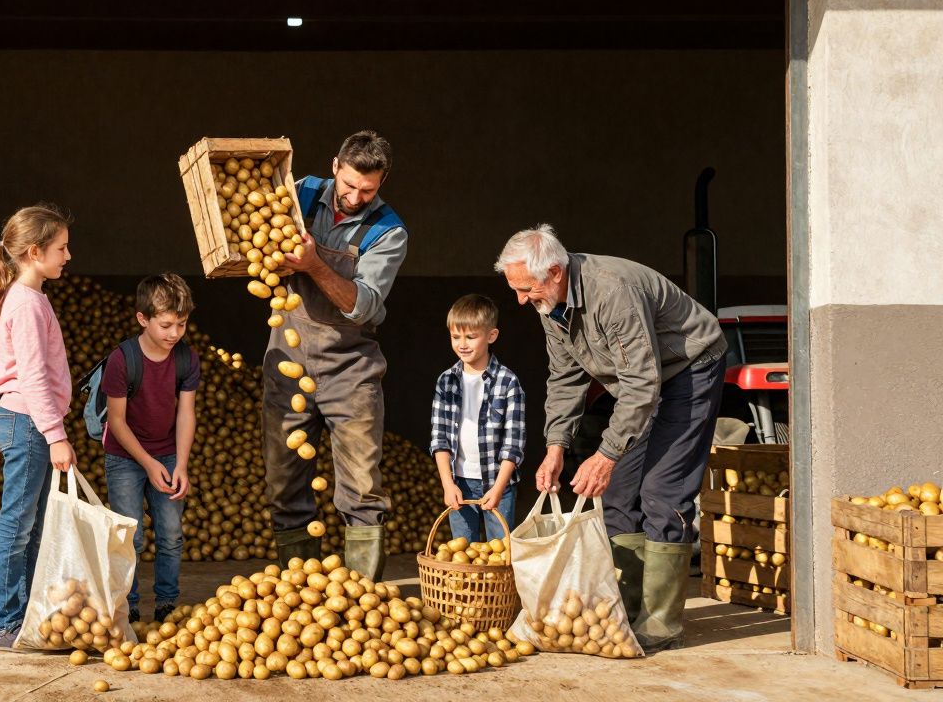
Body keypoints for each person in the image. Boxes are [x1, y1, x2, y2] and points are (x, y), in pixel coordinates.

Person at [496, 223, 726, 652]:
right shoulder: (550, 306)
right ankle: (624, 606)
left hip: (690, 367)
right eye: (516, 289)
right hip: (642, 381)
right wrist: (556, 448)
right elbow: (565, 378)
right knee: (619, 493)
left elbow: (642, 383)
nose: (521, 299)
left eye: (526, 288)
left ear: (555, 273)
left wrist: (605, 454)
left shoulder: (611, 291)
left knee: (663, 490)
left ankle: (661, 624)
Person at [264, 130, 408, 580]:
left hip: (350, 368)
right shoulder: (297, 193)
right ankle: (299, 591)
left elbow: (363, 304)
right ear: (334, 166)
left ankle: (360, 596)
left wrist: (312, 265)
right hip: (287, 358)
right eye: (349, 185)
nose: (355, 196)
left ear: (382, 182)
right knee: (284, 480)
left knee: (362, 487)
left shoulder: (389, 231)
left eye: (368, 189)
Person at [0, 204, 77, 650]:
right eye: (61, 248)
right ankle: (5, 623)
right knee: (17, 526)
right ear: (35, 251)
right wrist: (55, 435)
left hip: (29, 422)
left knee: (32, 526)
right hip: (27, 423)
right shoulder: (24, 302)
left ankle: (26, 614)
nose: (67, 256)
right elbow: (34, 376)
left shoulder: (31, 299)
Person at [102, 273, 199, 624]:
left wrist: (181, 465)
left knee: (171, 534)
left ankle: (167, 605)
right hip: (126, 457)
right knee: (131, 537)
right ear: (143, 319)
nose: (175, 333)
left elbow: (186, 413)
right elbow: (116, 421)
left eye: (182, 324)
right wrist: (146, 462)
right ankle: (128, 608)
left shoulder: (186, 359)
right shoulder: (122, 360)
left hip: (168, 452)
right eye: (166, 325)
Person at [429, 294, 526, 541]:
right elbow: (439, 438)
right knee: (462, 551)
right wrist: (447, 484)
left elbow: (513, 444)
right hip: (459, 481)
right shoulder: (446, 381)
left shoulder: (508, 382)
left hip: (498, 483)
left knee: (500, 553)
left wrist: (499, 486)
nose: (462, 344)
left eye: (471, 337)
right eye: (455, 336)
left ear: (491, 336)